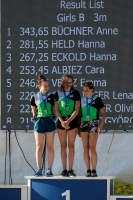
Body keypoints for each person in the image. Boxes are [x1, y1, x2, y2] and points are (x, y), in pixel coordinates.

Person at [54, 74, 81, 177]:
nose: (70, 84)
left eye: (71, 82)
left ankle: (70, 170)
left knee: (71, 146)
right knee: (63, 146)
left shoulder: (76, 93)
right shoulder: (58, 93)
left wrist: (68, 121)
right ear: (63, 82)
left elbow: (77, 109)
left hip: (72, 121)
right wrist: (62, 121)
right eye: (68, 82)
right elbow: (56, 109)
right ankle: (64, 169)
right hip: (61, 122)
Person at [79, 81, 106, 177]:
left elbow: (104, 114)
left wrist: (100, 126)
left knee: (92, 148)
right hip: (83, 124)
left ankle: (94, 170)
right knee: (85, 148)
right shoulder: (81, 100)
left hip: (94, 123)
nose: (85, 92)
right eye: (84, 91)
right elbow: (79, 114)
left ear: (92, 90)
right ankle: (88, 170)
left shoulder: (97, 99)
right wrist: (79, 127)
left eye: (87, 90)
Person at [30, 74, 55, 177]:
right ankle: (39, 169)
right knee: (39, 146)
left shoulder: (51, 96)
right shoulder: (34, 97)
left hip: (49, 120)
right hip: (40, 121)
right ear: (39, 86)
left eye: (47, 86)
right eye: (44, 85)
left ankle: (49, 169)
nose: (46, 87)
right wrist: (35, 116)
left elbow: (54, 108)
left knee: (50, 146)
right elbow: (33, 109)